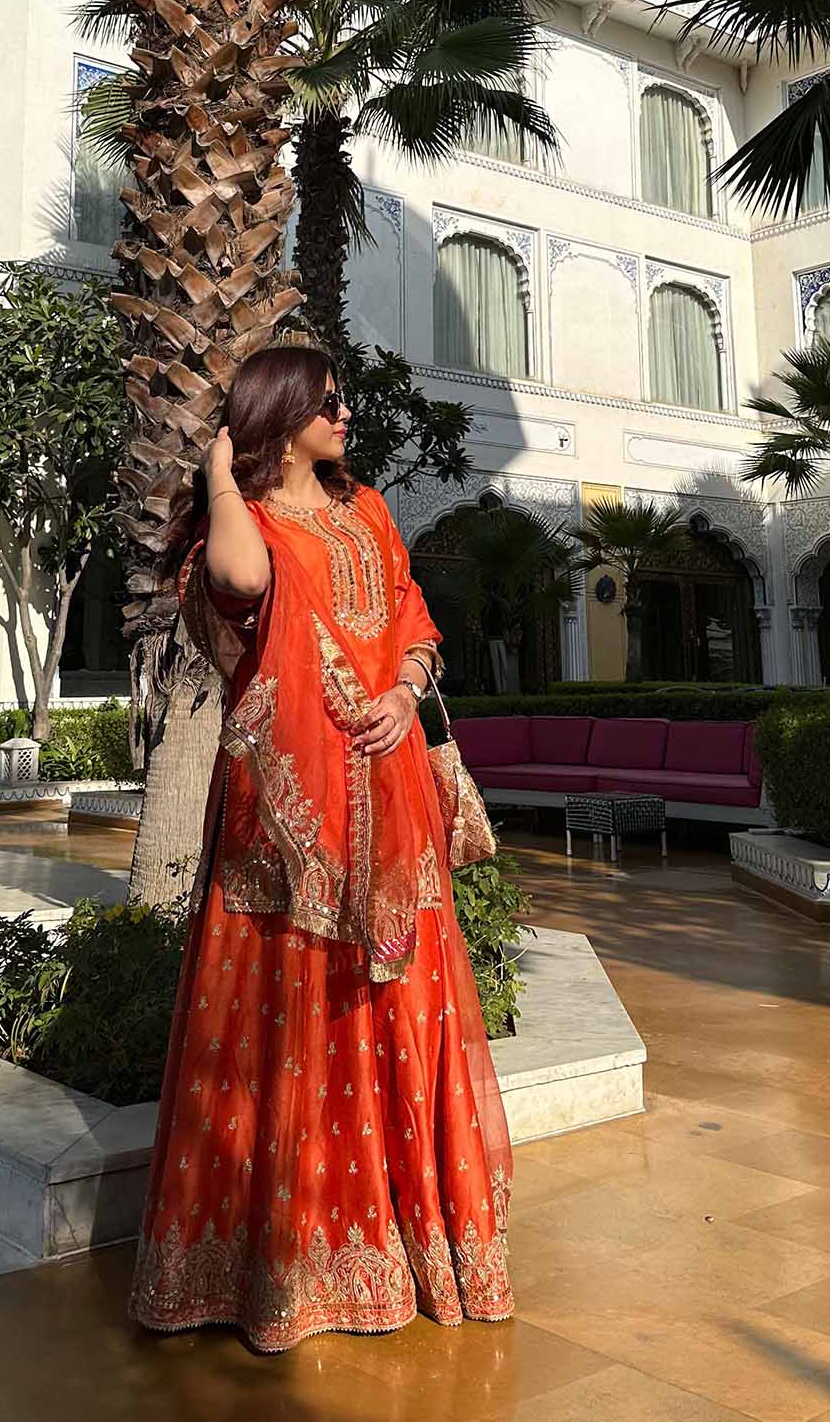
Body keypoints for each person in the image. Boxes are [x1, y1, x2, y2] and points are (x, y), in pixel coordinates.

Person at [130, 344, 512, 1352]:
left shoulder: (370, 510)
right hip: (285, 816)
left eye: (344, 400)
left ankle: (398, 1242)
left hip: (388, 802)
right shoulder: (246, 520)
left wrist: (396, 693)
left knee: (392, 1012)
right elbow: (239, 582)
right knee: (293, 1012)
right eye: (327, 401)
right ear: (281, 409)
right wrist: (219, 474)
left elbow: (414, 624)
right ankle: (287, 1268)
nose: (345, 414)